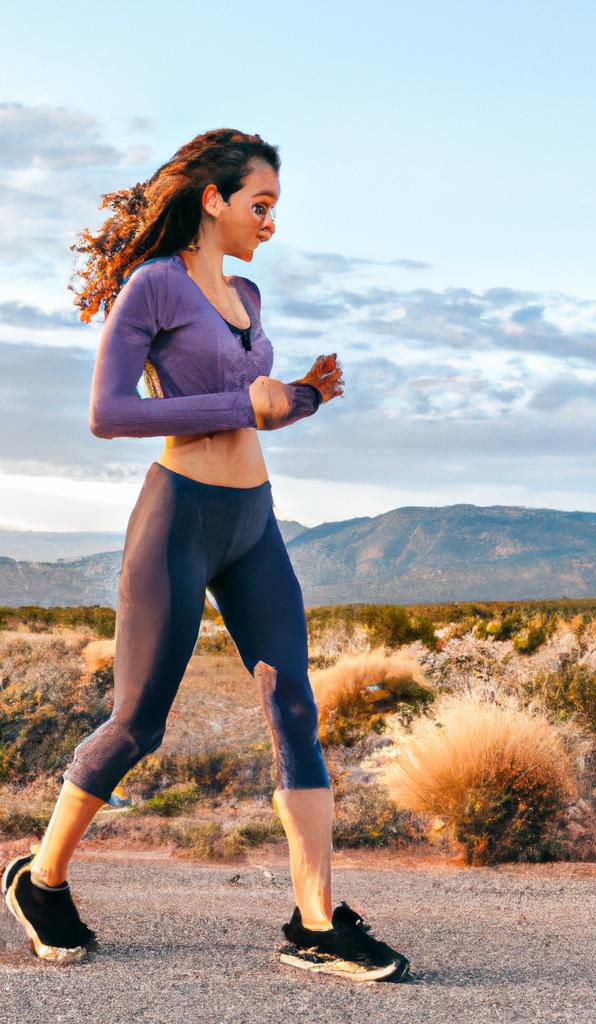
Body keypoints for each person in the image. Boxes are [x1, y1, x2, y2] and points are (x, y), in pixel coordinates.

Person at [1, 128, 409, 982]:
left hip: (254, 520)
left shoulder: (249, 296)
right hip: (180, 516)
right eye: (260, 205)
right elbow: (109, 413)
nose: (270, 222)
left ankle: (316, 920)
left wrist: (305, 394)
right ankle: (42, 881)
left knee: (294, 704)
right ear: (213, 199)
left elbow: (255, 407)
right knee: (138, 722)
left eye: (275, 208)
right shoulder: (154, 286)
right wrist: (243, 397)